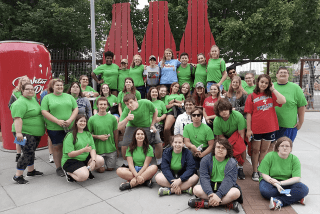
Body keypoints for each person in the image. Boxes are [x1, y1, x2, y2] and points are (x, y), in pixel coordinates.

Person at [245, 74, 286, 181]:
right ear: (258, 82)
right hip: (256, 129)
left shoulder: (271, 95)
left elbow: (283, 101)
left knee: (264, 150)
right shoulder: (252, 96)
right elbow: (248, 113)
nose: (264, 84)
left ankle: (260, 170)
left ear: (269, 84)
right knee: (255, 150)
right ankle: (254, 171)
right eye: (262, 82)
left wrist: (273, 89)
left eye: (266, 83)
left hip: (270, 128)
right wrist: (249, 129)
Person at [188, 139, 242, 213]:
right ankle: (226, 204)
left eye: (223, 148)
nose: (220, 150)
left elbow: (229, 180)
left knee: (236, 192)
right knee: (196, 189)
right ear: (214, 149)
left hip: (225, 188)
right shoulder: (206, 160)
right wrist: (210, 193)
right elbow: (204, 177)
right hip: (210, 186)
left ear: (227, 150)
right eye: (218, 147)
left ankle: (204, 203)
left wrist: (219, 195)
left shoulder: (232, 163)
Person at [258, 137, 309, 210]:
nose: (285, 148)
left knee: (304, 189)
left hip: (286, 182)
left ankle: (279, 201)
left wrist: (280, 183)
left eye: (287, 146)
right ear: (278, 147)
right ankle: (295, 196)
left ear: (291, 149)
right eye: (282, 146)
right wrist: (275, 184)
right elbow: (264, 174)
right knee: (265, 191)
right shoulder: (270, 156)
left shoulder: (294, 159)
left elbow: (296, 178)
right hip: (270, 181)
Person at [41, 79, 79, 177]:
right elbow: (44, 111)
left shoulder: (69, 97)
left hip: (70, 126)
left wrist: (70, 120)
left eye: (61, 85)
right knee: (57, 147)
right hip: (54, 127)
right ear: (52, 87)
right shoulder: (47, 98)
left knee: (70, 146)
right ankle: (59, 168)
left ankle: (70, 164)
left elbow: (75, 109)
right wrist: (57, 121)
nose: (60, 87)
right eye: (57, 85)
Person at [11, 83, 45, 184]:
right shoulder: (20, 103)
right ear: (22, 91)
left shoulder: (33, 99)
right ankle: (18, 176)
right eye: (27, 89)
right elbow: (17, 118)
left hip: (34, 132)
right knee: (27, 153)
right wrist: (18, 133)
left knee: (31, 152)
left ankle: (31, 171)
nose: (30, 91)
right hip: (24, 132)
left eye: (32, 89)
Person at [118, 93, 163, 168]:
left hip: (147, 125)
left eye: (131, 102)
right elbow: (119, 127)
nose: (130, 105)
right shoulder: (126, 110)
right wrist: (127, 119)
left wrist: (152, 124)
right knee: (124, 143)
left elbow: (155, 111)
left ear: (136, 100)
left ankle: (159, 162)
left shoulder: (146, 102)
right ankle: (126, 163)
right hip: (133, 126)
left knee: (158, 141)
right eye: (127, 104)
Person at [61, 115, 104, 182]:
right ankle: (68, 173)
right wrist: (83, 150)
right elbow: (70, 154)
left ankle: (85, 170)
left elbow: (92, 148)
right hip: (71, 160)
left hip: (84, 158)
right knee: (83, 177)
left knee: (100, 160)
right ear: (76, 122)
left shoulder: (88, 134)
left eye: (84, 121)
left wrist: (93, 161)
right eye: (81, 121)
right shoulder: (70, 135)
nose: (83, 123)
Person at [213, 99, 246, 180]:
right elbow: (220, 136)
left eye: (226, 109)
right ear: (218, 111)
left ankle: (241, 167)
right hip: (225, 137)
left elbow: (241, 134)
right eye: (221, 110)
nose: (224, 112)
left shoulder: (238, 115)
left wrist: (238, 145)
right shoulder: (217, 120)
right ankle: (226, 167)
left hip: (237, 134)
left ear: (229, 109)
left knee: (242, 148)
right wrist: (228, 145)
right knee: (222, 148)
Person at [273, 67, 307, 142]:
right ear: (276, 75)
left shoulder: (295, 88)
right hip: (272, 124)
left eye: (285, 72)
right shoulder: (271, 86)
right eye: (281, 72)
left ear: (288, 75)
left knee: (284, 148)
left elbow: (301, 105)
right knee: (271, 149)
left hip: (288, 125)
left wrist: (300, 122)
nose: (283, 74)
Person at [88, 97, 118, 172]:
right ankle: (93, 160)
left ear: (107, 106)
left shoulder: (112, 118)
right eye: (101, 104)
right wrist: (98, 137)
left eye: (105, 104)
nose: (103, 106)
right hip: (98, 150)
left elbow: (116, 133)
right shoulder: (92, 119)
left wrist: (116, 147)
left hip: (110, 149)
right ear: (97, 106)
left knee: (110, 168)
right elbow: (87, 135)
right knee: (101, 170)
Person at [8, 75, 31, 162]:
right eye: (24, 80)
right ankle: (18, 154)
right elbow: (10, 105)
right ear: (20, 82)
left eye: (27, 80)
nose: (26, 81)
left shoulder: (32, 92)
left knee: (28, 137)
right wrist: (18, 112)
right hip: (20, 118)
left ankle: (27, 153)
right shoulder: (15, 93)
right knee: (20, 136)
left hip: (29, 119)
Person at [40, 79, 54, 163]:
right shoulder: (44, 93)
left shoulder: (62, 93)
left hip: (60, 119)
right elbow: (43, 108)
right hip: (49, 118)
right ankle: (51, 154)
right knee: (50, 136)